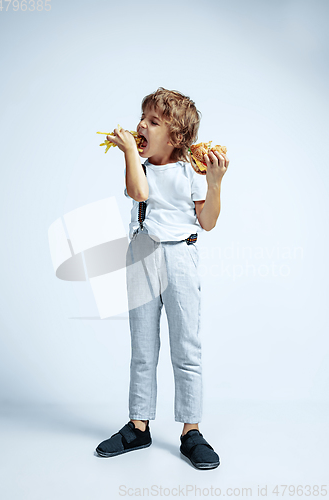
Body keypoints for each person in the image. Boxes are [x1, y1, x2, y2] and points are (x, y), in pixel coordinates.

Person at [95, 88, 229, 469]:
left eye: (154, 122)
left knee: (186, 347)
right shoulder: (140, 165)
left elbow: (208, 222)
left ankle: (191, 431)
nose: (141, 125)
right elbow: (137, 192)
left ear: (177, 138)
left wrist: (216, 180)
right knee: (143, 346)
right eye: (142, 116)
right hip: (142, 252)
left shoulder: (193, 171)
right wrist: (128, 154)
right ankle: (139, 425)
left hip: (179, 255)